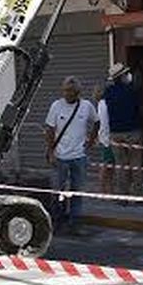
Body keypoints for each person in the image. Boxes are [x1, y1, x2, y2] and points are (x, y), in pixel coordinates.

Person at [45, 75, 98, 235]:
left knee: (77, 191)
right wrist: (51, 151)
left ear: (78, 92)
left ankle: (75, 223)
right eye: (66, 91)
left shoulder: (86, 106)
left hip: (79, 157)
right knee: (59, 191)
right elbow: (49, 129)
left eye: (71, 91)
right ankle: (58, 220)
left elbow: (96, 122)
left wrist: (91, 141)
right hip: (60, 156)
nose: (68, 94)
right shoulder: (56, 106)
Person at [101, 63, 141, 195]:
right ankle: (137, 195)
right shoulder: (132, 89)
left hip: (115, 132)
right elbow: (138, 107)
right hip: (133, 130)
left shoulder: (108, 92)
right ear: (122, 75)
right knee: (135, 164)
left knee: (120, 165)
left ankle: (122, 195)